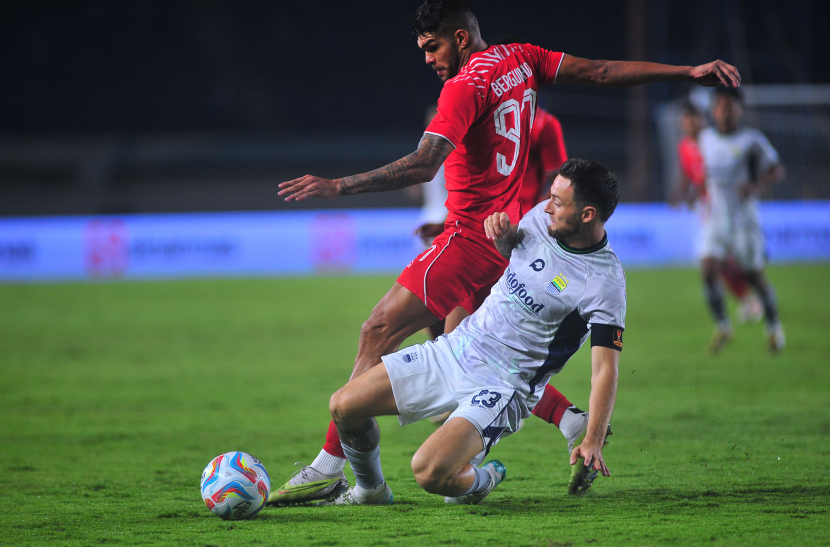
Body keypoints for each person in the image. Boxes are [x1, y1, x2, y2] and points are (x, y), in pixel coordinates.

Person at [269, 0, 740, 505]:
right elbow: (601, 71)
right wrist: (686, 71)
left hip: (472, 237)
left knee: (378, 330)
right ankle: (556, 419)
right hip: (506, 232)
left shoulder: (464, 87)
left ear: (461, 38)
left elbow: (425, 163)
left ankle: (335, 469)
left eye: (433, 47)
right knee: (465, 338)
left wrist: (337, 186)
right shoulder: (522, 57)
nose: (427, 59)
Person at [322, 159, 625, 505]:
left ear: (587, 214)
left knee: (429, 471)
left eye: (558, 202)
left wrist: (594, 438)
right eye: (551, 196)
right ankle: (370, 490)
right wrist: (506, 240)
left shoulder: (604, 284)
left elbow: (605, 369)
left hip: (503, 386)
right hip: (457, 349)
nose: (548, 205)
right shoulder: (542, 217)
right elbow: (518, 259)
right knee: (344, 405)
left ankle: (486, 477)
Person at [696, 86, 785, 355]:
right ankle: (724, 327)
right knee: (708, 268)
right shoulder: (705, 138)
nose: (725, 113)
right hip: (716, 215)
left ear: (739, 110)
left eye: (730, 108)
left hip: (744, 216)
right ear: (713, 111)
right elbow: (704, 173)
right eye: (720, 107)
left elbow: (777, 169)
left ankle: (773, 328)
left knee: (753, 275)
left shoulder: (752, 140)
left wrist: (756, 186)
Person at [672, 102, 763, 326]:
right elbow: (687, 173)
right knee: (716, 262)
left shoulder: (710, 142)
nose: (691, 123)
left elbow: (714, 173)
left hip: (726, 206)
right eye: (687, 118)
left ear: (704, 120)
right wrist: (680, 194)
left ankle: (753, 298)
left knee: (720, 260)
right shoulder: (684, 146)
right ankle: (748, 300)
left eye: (695, 118)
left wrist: (696, 192)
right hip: (706, 207)